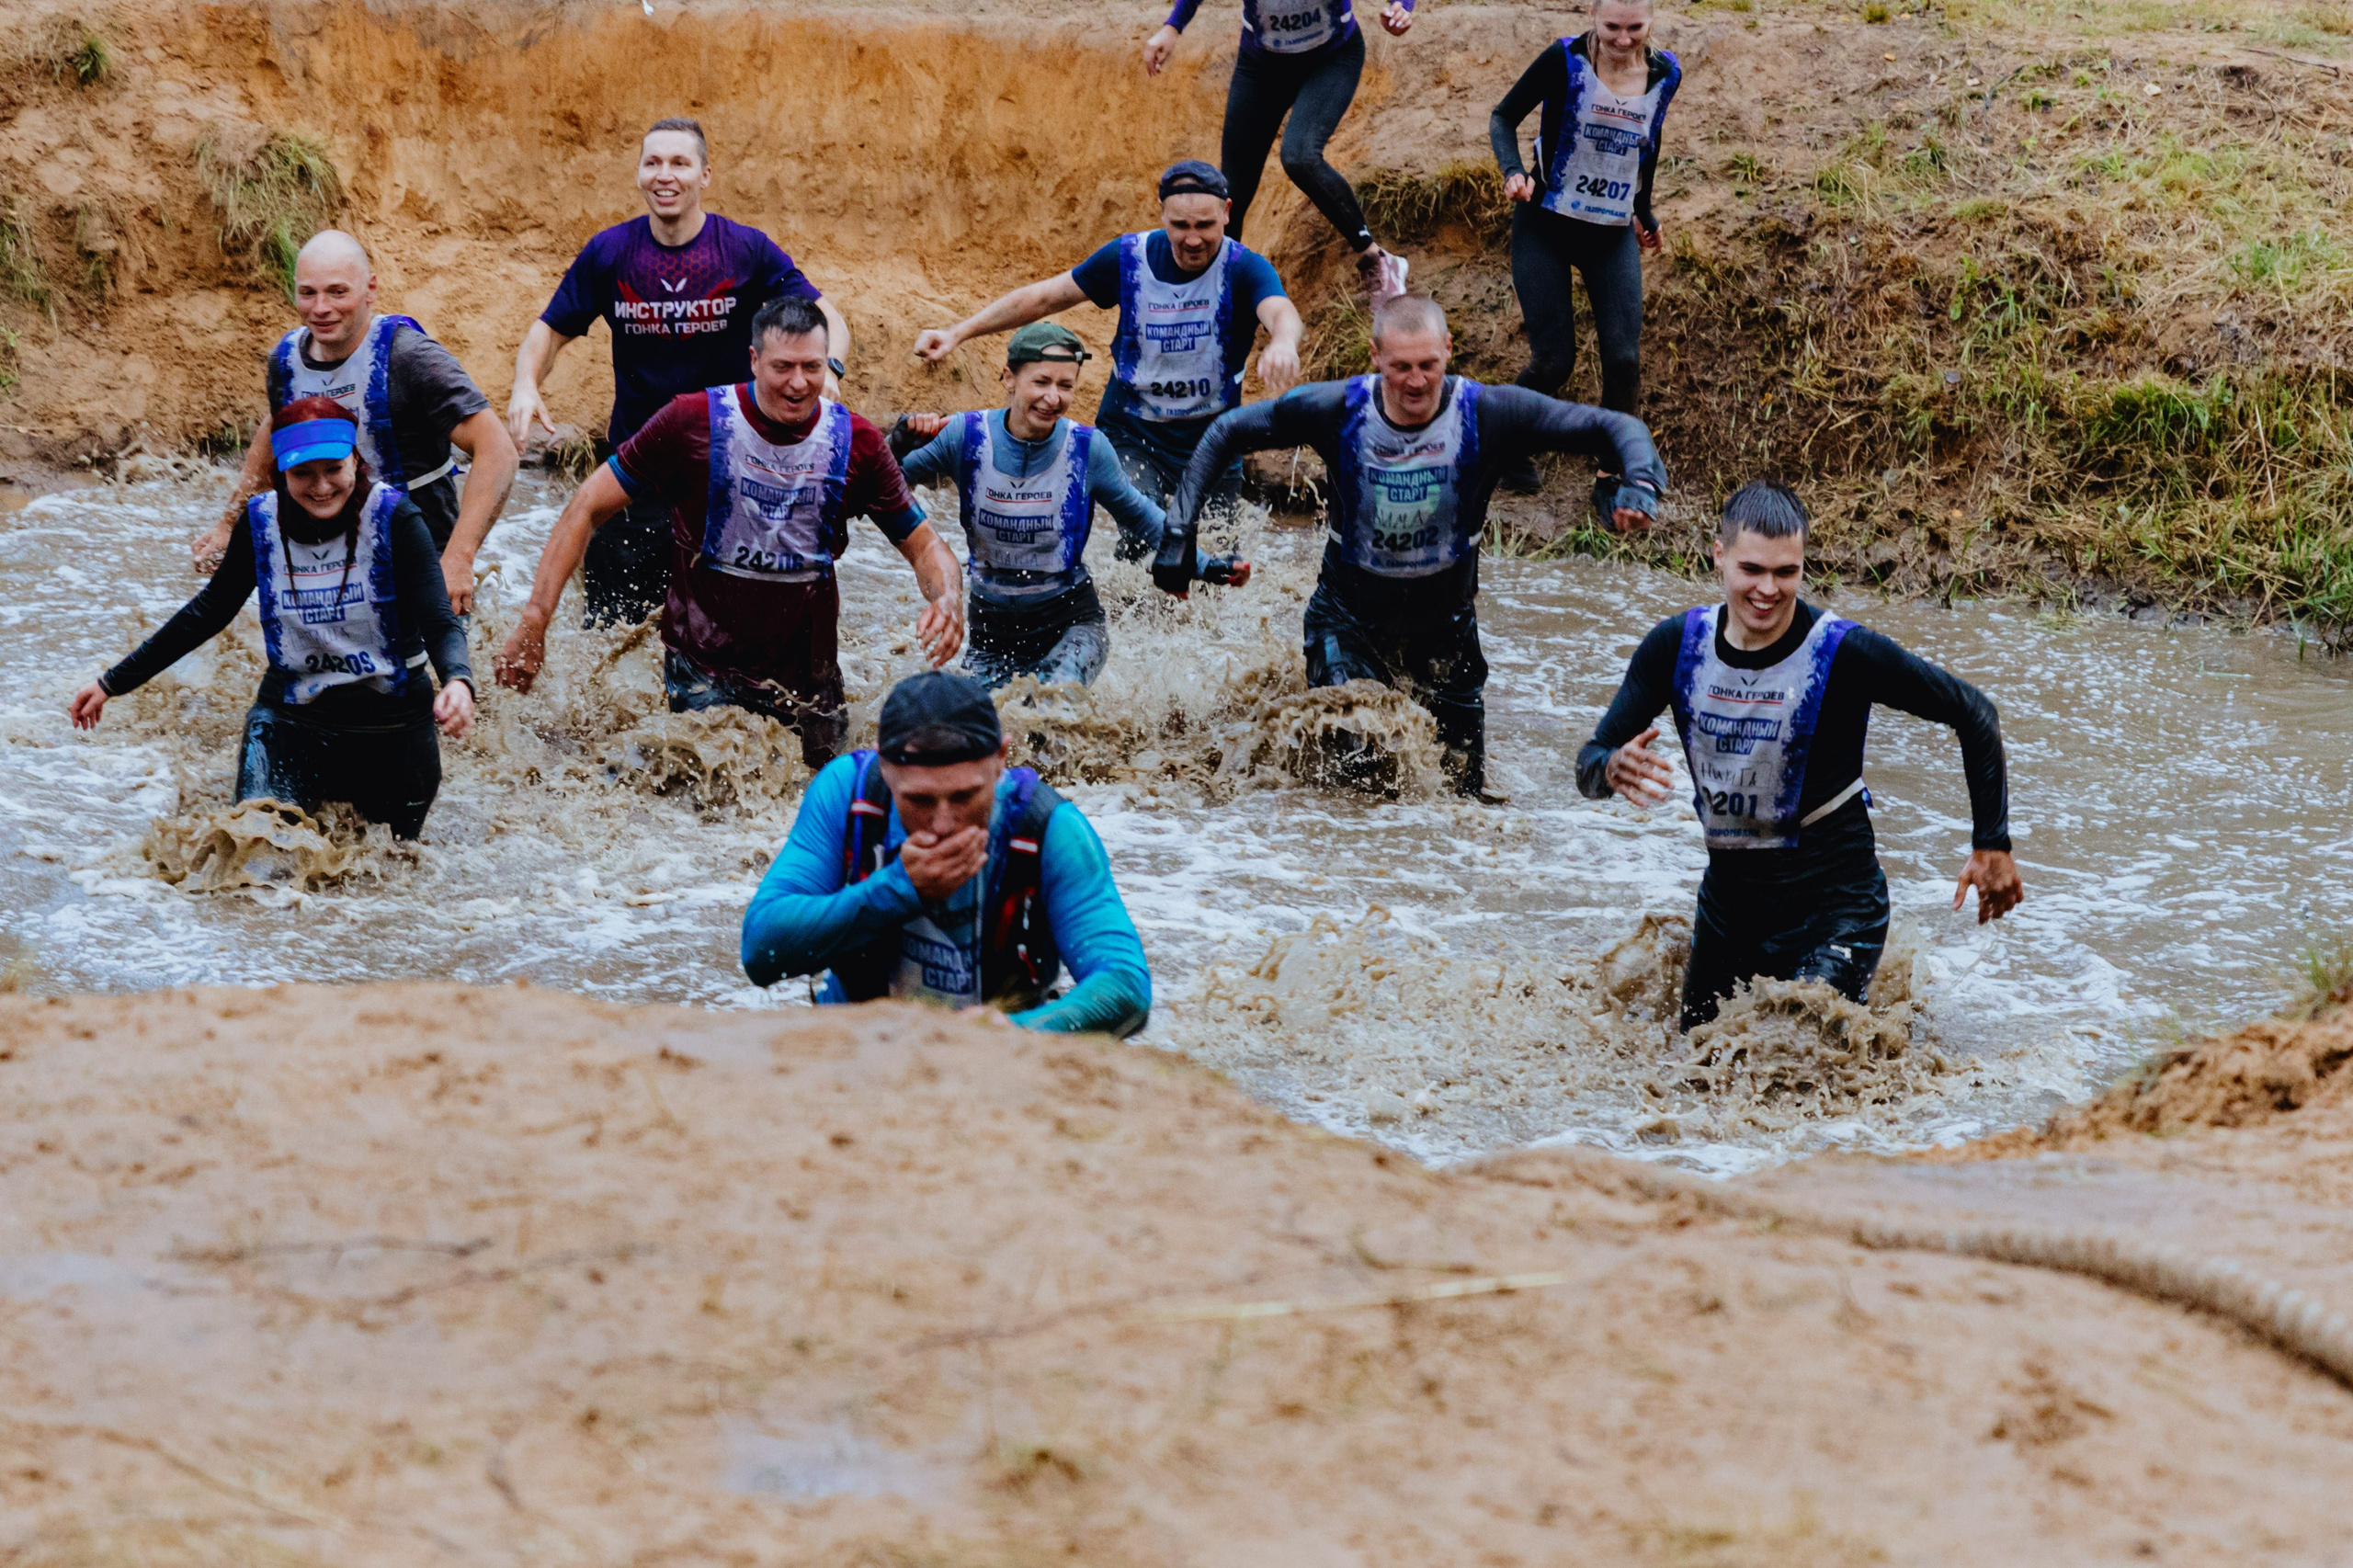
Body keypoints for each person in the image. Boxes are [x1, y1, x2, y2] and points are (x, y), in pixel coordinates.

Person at [1156, 294, 1665, 799]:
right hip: (1347, 622)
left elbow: (1616, 425)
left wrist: (1640, 481)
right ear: (1376, 357)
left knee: (1462, 795)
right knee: (1359, 763)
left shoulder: (1490, 413)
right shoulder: (1336, 409)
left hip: (1447, 633)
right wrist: (1179, 534)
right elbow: (1227, 430)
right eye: (1401, 367)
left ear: (1448, 350)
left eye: (1428, 365)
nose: (1416, 381)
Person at [1579, 482, 2023, 1031]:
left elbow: (1974, 712)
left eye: (1785, 573)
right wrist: (1609, 768)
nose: (1768, 590)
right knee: (1693, 1058)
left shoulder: (1843, 652)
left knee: (1798, 1044)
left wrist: (1991, 843)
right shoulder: (1675, 648)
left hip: (1837, 911)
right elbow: (1589, 763)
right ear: (1719, 556)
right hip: (1729, 912)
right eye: (1752, 570)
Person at [494, 298, 961, 767]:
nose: (799, 383)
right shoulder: (692, 421)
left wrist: (947, 598)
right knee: (707, 791)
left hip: (808, 681)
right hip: (704, 671)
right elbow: (585, 507)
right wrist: (535, 618)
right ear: (754, 360)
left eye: (812, 367)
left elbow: (925, 546)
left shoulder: (856, 442)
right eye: (783, 367)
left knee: (818, 786)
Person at [507, 117, 852, 626]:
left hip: (730, 477)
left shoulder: (744, 249)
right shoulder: (611, 252)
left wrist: (831, 373)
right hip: (636, 472)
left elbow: (828, 319)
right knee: (610, 637)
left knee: (732, 635)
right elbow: (549, 331)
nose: (664, 175)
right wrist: (525, 383)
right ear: (639, 174)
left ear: (704, 175)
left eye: (679, 163)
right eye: (653, 163)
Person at [76, 399, 475, 838]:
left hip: (393, 726)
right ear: (280, 474)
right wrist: (112, 683)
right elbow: (208, 612)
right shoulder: (260, 523)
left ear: (355, 462)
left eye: (333, 469)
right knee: (254, 846)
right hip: (292, 721)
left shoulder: (395, 518)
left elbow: (439, 622)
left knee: (393, 861)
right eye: (303, 473)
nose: (321, 487)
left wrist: (458, 680)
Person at [742, 669, 1152, 1035]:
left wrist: (1014, 1031)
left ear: (1001, 759)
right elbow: (760, 949)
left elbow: (1126, 985)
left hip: (1002, 1053)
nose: (943, 824)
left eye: (965, 796)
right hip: (856, 1042)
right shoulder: (848, 795)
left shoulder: (1047, 828)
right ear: (884, 765)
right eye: (919, 800)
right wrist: (897, 889)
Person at [912, 160, 1304, 527]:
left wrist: (1284, 342)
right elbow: (1045, 297)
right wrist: (957, 332)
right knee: (1144, 536)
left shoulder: (1243, 267)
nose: (1192, 239)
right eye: (1180, 225)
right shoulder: (1129, 258)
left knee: (1219, 556)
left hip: (1214, 440)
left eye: (1205, 225)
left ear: (1227, 213)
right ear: (1161, 214)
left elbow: (1280, 311)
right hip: (1133, 435)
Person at [889, 324, 1252, 691]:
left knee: (1053, 702)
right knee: (973, 719)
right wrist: (897, 443)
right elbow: (883, 484)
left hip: (1074, 628)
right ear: (1009, 378)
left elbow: (1140, 514)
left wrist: (1204, 565)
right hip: (991, 638)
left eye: (1066, 386)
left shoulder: (1087, 447)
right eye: (1041, 382)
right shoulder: (965, 435)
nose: (1053, 398)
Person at [194, 231, 517, 615]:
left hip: (420, 560)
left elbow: (498, 451)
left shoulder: (411, 357)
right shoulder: (285, 361)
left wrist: (460, 557)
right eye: (308, 293)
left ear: (370, 289)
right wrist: (228, 524)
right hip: (328, 563)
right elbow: (274, 431)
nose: (321, 308)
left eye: (337, 292)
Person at [1488, 0, 1681, 494]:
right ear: (1593, 17)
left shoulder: (1665, 74)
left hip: (1609, 231)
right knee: (1554, 362)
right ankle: (1500, 438)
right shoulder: (1565, 59)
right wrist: (1513, 171)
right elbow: (1503, 116)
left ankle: (1611, 474)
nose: (1623, 40)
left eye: (1635, 28)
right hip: (1545, 225)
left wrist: (1644, 212)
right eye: (1612, 26)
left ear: (1652, 21)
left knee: (1623, 361)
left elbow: (1647, 145)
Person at [1142, 0, 1414, 302]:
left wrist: (1401, 8)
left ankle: (1376, 259)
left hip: (1332, 59)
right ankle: (1217, 293)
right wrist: (1172, 27)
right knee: (1233, 190)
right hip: (1261, 68)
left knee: (1300, 157)